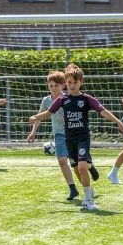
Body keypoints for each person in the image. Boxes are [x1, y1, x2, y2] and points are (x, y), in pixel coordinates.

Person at [30, 64, 123, 211]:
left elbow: (103, 111)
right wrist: (35, 117)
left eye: (75, 82)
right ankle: (88, 184)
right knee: (76, 169)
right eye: (69, 82)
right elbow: (47, 113)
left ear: (81, 82)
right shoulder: (62, 99)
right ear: (66, 83)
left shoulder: (87, 99)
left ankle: (88, 200)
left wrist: (119, 122)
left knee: (82, 167)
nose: (72, 85)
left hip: (82, 137)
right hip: (69, 140)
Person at [27, 70, 77, 200]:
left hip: (73, 133)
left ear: (63, 86)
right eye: (51, 86)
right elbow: (40, 116)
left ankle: (89, 167)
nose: (53, 88)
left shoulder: (68, 98)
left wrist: (66, 119)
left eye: (56, 86)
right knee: (61, 160)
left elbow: (77, 115)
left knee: (77, 164)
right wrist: (33, 133)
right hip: (59, 134)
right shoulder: (46, 100)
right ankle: (72, 188)